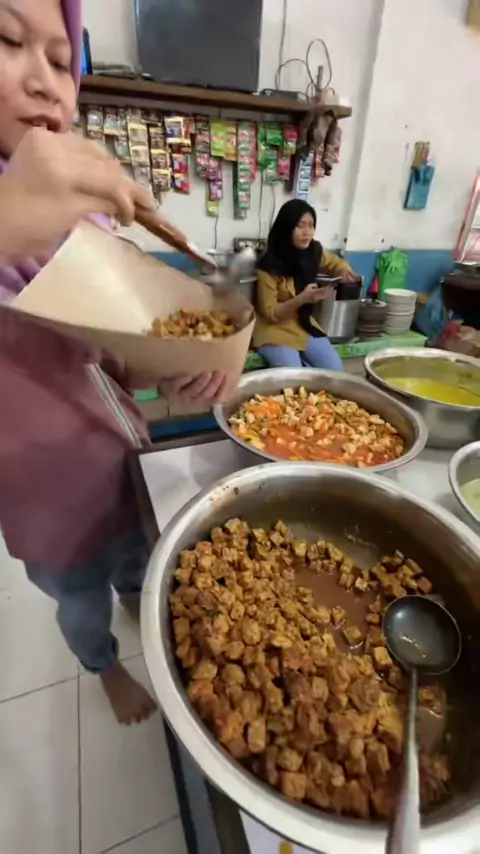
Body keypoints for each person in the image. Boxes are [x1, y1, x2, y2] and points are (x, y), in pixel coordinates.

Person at [0, 0, 232, 724]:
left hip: (121, 454)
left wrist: (172, 370)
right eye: (7, 40)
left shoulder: (88, 214)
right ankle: (101, 666)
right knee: (78, 598)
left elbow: (111, 354)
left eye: (62, 60)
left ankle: (134, 596)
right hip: (42, 495)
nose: (45, 83)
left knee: (137, 560)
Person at [254, 199, 358, 370]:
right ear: (286, 228)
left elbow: (333, 263)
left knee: (334, 369)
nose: (307, 232)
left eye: (311, 225)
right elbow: (271, 314)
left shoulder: (313, 252)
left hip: (303, 323)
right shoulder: (268, 266)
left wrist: (343, 270)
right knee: (292, 372)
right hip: (274, 330)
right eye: (300, 225)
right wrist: (302, 299)